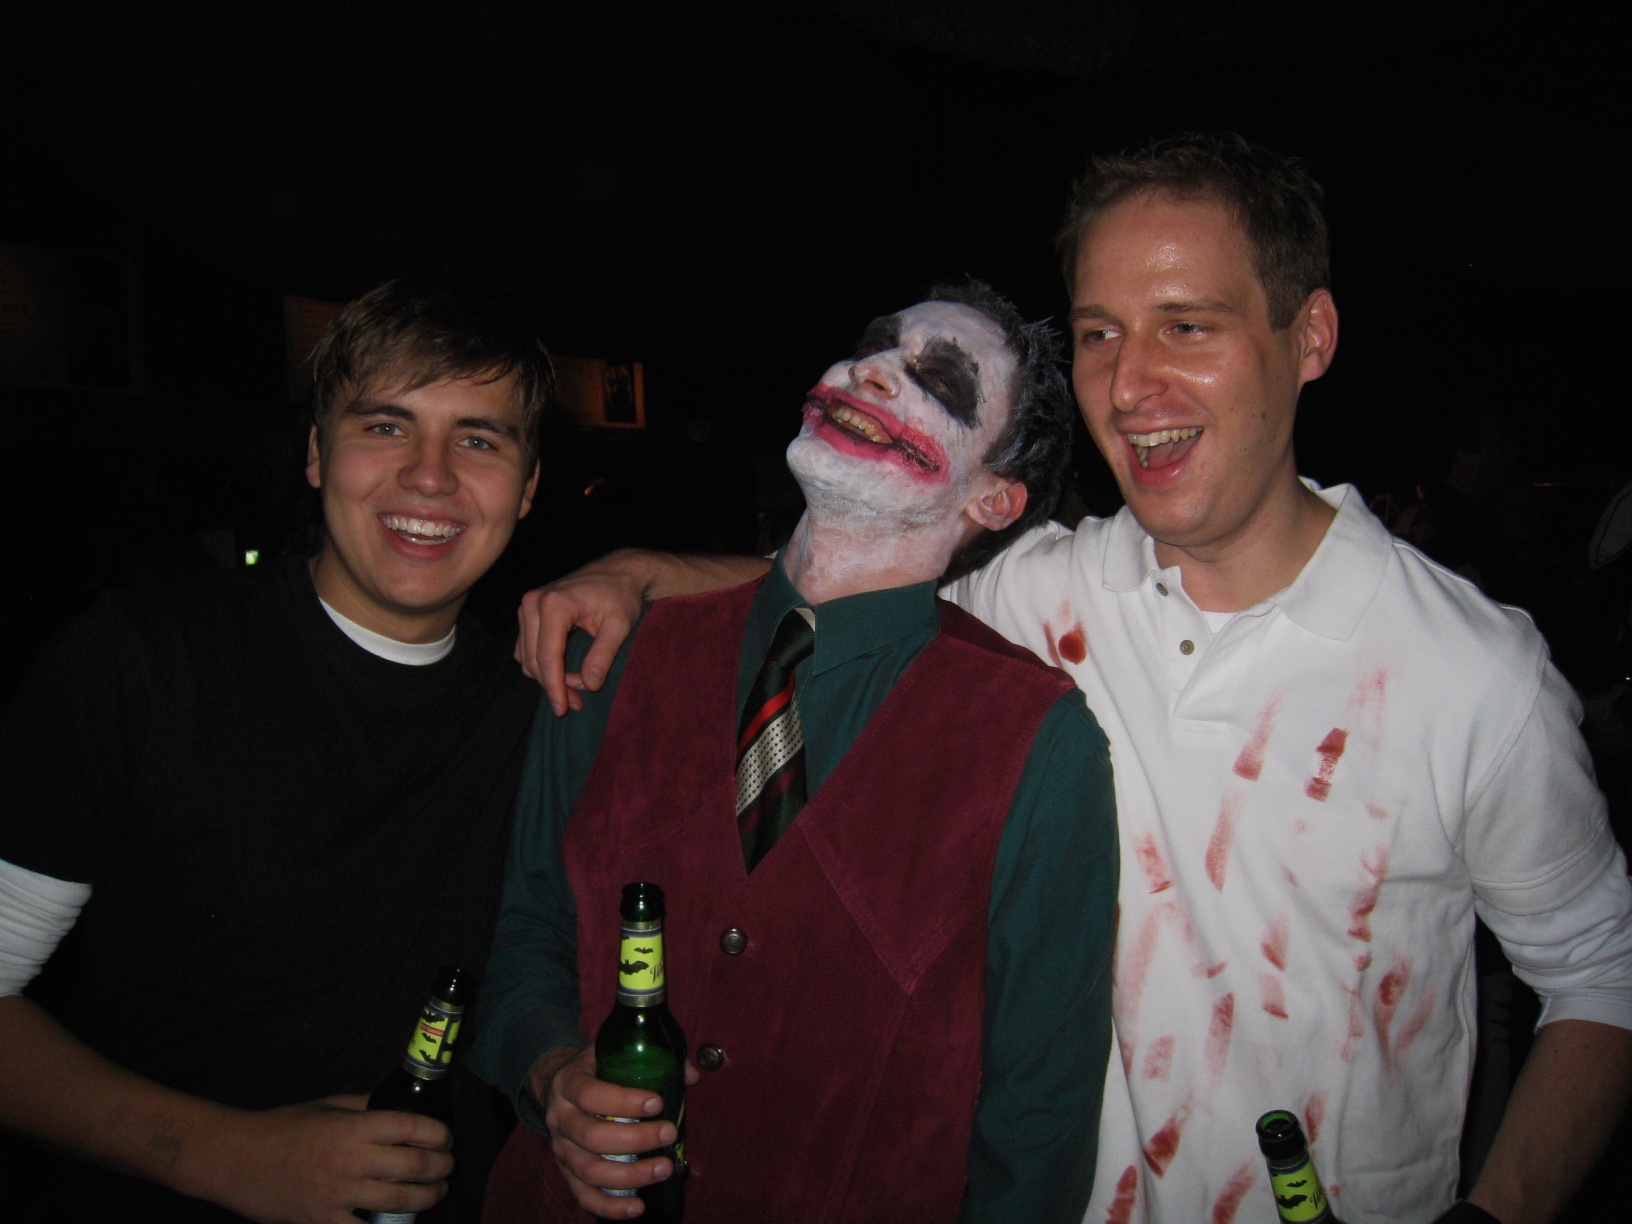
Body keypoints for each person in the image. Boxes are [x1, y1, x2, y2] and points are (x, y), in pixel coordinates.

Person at [509, 135, 1632, 1224]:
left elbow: (1602, 975)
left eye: (1187, 325)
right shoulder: (1043, 590)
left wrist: (1498, 1211)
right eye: (1102, 332)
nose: (1132, 383)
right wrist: (643, 574)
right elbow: (846, 582)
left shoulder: (1471, 674)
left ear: (1311, 335)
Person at [468, 281, 1118, 1222]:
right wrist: (550, 1072)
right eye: (874, 345)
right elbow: (525, 937)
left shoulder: (1039, 741)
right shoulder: (611, 653)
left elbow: (1037, 1123)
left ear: (995, 498)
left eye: (940, 381)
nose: (871, 369)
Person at [0, 276, 552, 1222]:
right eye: (386, 426)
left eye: (479, 439)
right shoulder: (145, 661)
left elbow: (817, 603)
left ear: (529, 486)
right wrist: (226, 1155)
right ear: (315, 453)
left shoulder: (541, 700)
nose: (429, 476)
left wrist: (642, 570)